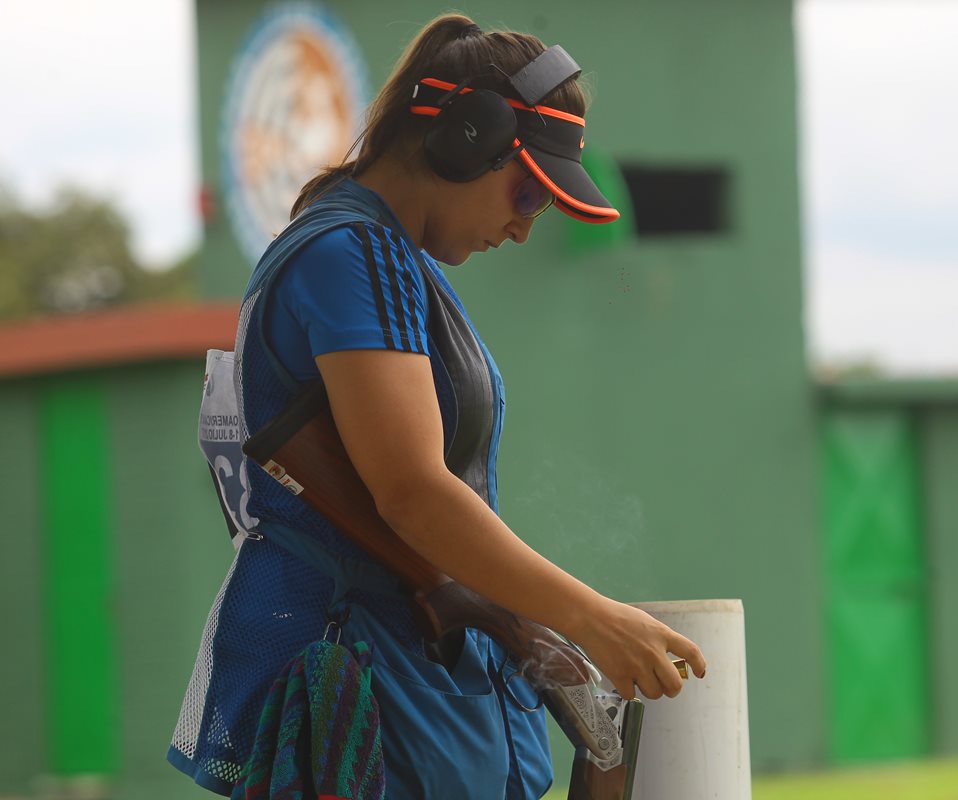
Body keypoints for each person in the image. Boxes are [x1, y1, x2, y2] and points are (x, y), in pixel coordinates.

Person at [169, 13, 706, 800]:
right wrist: (593, 620)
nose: (526, 225)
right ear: (464, 138)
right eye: (527, 188)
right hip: (370, 681)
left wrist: (539, 633)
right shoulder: (352, 253)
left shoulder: (380, 258)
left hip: (411, 679)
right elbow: (414, 492)